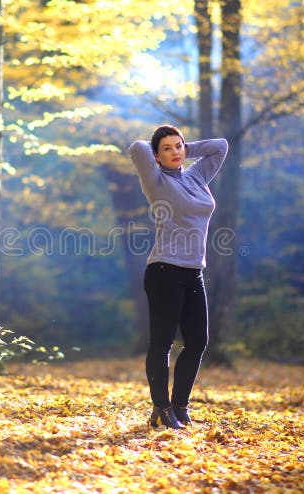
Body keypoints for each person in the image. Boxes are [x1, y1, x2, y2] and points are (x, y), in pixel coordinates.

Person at [128, 124, 228, 429]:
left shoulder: (197, 176)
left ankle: (180, 406)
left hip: (193, 271)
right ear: (156, 157)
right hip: (163, 271)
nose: (175, 152)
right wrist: (160, 150)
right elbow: (136, 148)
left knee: (198, 341)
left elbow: (220, 146)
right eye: (167, 149)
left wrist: (184, 148)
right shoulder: (156, 180)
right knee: (162, 342)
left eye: (179, 147)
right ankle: (160, 407)